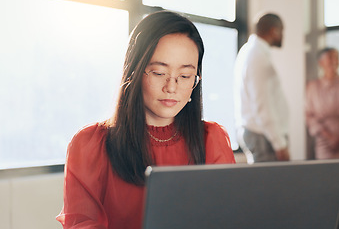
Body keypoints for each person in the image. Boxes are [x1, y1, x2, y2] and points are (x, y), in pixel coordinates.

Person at [56, 11, 236, 229]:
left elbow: (226, 218)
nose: (172, 87)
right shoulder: (90, 144)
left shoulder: (211, 139)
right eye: (159, 73)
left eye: (185, 76)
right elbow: (83, 224)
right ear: (134, 71)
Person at [234, 13, 289, 162]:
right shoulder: (257, 56)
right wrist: (280, 144)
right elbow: (262, 105)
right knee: (271, 184)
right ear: (274, 31)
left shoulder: (249, 51)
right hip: (264, 138)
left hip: (261, 135)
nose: (283, 35)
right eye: (282, 30)